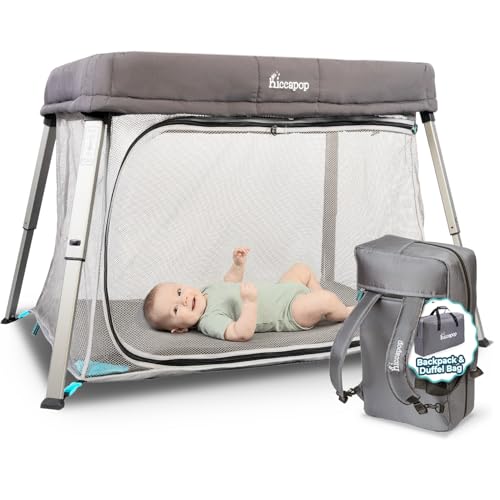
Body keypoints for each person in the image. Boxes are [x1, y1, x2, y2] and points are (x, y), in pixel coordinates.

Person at [143, 247, 354, 341]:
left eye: (179, 291)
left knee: (301, 269)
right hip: (289, 311)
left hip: (283, 290)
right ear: (179, 329)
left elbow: (230, 284)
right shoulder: (209, 321)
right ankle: (343, 312)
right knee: (326, 300)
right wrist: (250, 303)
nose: (184, 299)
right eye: (176, 309)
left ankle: (319, 300)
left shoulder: (206, 291)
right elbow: (240, 333)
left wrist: (237, 266)